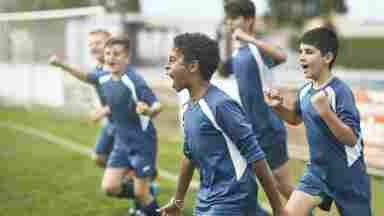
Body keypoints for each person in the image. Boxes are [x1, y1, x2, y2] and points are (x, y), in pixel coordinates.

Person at [160, 32, 287, 216]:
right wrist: (178, 202)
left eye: (172, 60)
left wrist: (278, 209)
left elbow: (256, 156)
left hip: (233, 200)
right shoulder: (189, 108)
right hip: (206, 201)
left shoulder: (220, 105)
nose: (167, 66)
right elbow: (189, 156)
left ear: (193, 66)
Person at [264, 27, 372, 216]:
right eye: (300, 52)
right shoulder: (305, 90)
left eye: (309, 52)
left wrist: (326, 112)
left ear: (327, 57)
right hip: (317, 173)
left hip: (349, 176)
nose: (301, 58)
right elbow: (295, 118)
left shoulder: (340, 91)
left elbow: (352, 139)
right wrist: (277, 107)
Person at [223, 0, 294, 207]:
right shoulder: (236, 55)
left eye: (234, 18)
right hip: (248, 131)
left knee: (282, 185)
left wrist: (249, 38)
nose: (229, 22)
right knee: (243, 185)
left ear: (249, 20)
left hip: (269, 129)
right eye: (228, 18)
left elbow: (282, 55)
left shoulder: (256, 49)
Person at [87, 36, 162, 216]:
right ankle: (146, 195)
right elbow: (88, 78)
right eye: (108, 54)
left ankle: (148, 202)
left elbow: (158, 105)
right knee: (110, 187)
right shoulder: (106, 78)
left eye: (116, 54)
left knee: (140, 194)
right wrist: (61, 65)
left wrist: (148, 112)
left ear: (126, 57)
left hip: (142, 143)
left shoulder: (134, 80)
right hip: (122, 142)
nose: (111, 58)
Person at [49, 29, 114, 167]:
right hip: (111, 121)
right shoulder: (98, 69)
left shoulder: (117, 67)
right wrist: (62, 65)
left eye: (98, 43)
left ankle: (139, 176)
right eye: (90, 44)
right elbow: (87, 77)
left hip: (127, 123)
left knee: (123, 161)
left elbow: (127, 97)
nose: (93, 47)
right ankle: (132, 180)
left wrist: (106, 110)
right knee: (99, 157)